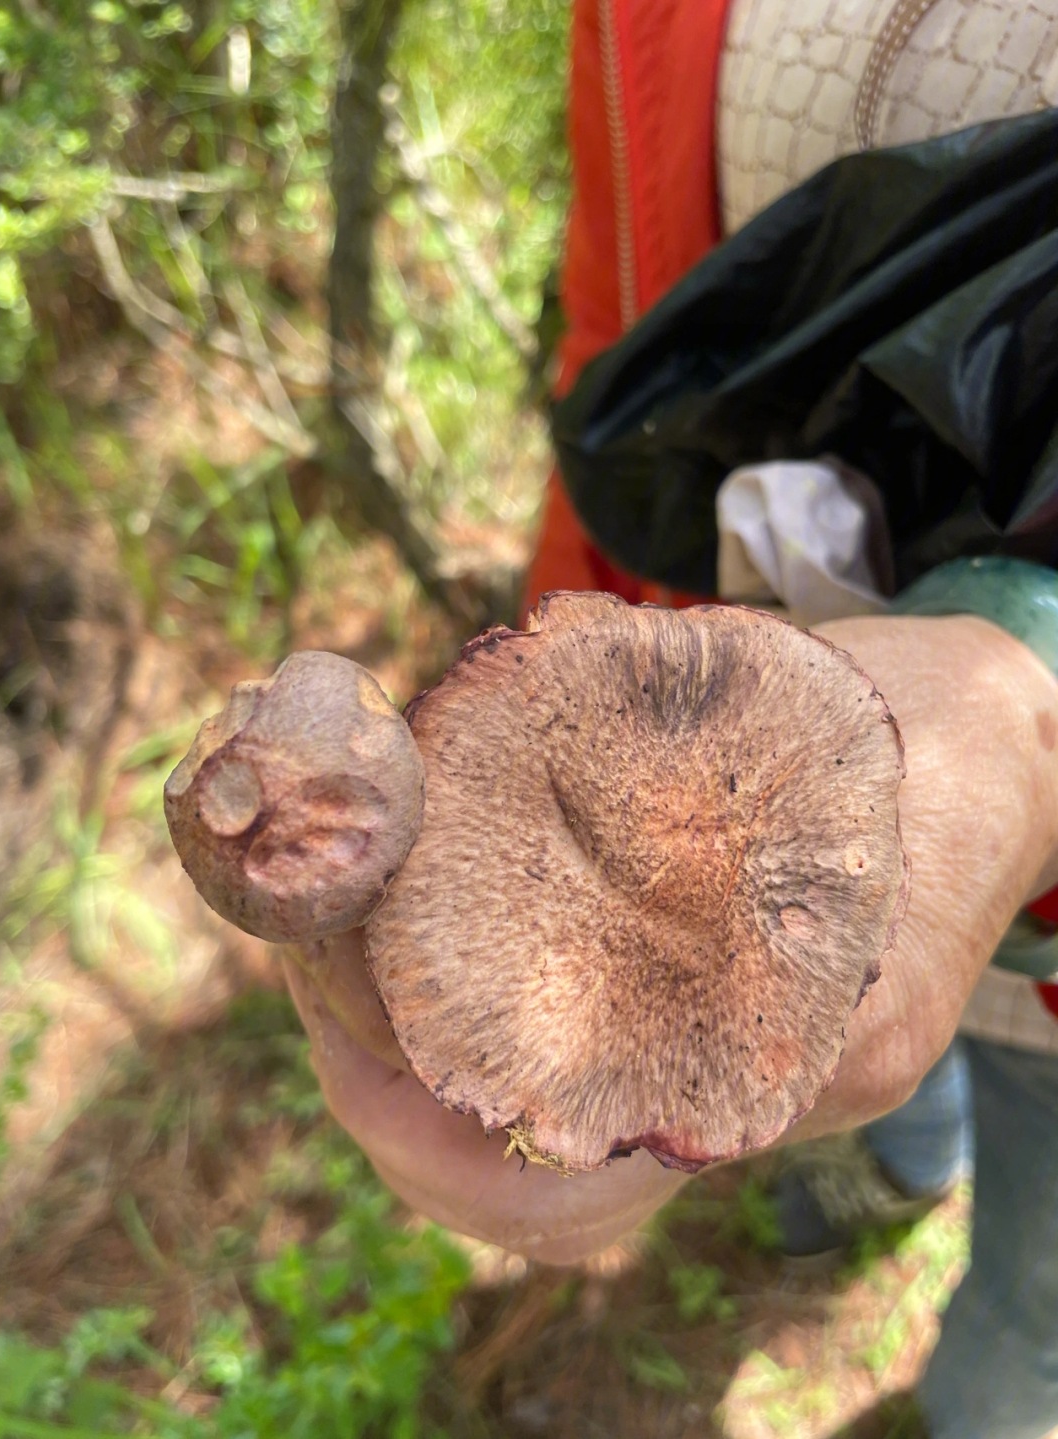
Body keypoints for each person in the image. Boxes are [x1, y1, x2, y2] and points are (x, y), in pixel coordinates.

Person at [286, 3, 1058, 1435]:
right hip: (751, 763)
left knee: (1038, 1279)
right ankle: (904, 1162)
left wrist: (1028, 691)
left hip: (1007, 851)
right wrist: (532, 687)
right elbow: (625, 346)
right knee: (881, 1061)